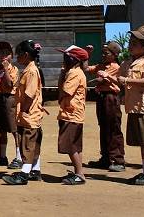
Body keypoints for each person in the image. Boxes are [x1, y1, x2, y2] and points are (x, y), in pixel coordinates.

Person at [100, 25, 144, 185]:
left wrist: (126, 80)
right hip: (133, 107)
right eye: (131, 42)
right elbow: (119, 80)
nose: (130, 45)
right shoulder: (128, 63)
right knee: (141, 142)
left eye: (135, 43)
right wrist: (108, 76)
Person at [2, 40, 45, 185]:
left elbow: (29, 95)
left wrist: (23, 111)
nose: (17, 58)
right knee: (32, 144)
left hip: (29, 115)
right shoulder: (28, 69)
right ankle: (35, 170)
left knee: (27, 144)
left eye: (19, 54)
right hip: (31, 114)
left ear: (26, 55)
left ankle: (24, 174)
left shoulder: (31, 71)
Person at [85, 41, 125, 172]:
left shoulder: (115, 66)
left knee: (113, 128)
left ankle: (118, 159)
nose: (103, 55)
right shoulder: (102, 65)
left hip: (111, 98)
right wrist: (87, 55)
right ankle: (106, 158)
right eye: (102, 53)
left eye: (106, 53)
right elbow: (86, 69)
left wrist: (101, 80)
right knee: (104, 127)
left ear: (114, 54)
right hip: (102, 97)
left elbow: (103, 79)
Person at [56, 45, 88, 185]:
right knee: (75, 145)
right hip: (73, 113)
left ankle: (79, 174)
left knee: (70, 146)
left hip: (71, 114)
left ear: (74, 60)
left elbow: (64, 91)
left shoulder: (74, 73)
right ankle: (78, 171)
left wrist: (62, 74)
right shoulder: (73, 72)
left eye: (66, 57)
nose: (64, 59)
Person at [0, 41, 20, 169]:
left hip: (10, 98)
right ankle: (2, 156)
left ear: (11, 55)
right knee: (2, 129)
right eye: (0, 53)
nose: (3, 55)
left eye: (6, 53)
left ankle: (19, 156)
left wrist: (5, 68)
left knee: (14, 128)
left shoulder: (13, 69)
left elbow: (10, 85)